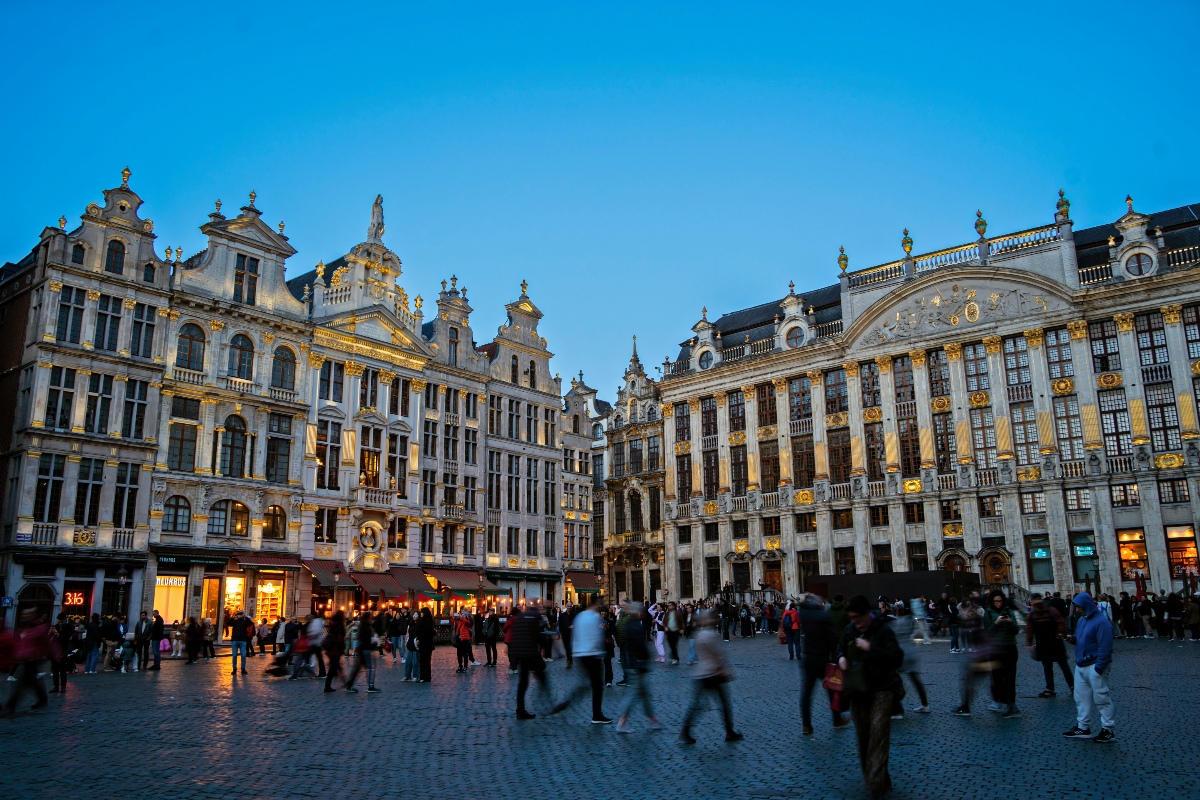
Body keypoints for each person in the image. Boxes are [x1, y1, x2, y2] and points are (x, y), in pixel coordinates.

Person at [838, 595, 903, 800]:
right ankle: (879, 776)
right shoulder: (850, 630)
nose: (854, 621)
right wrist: (840, 657)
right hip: (858, 689)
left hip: (882, 688)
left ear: (867, 614)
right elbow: (840, 648)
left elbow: (896, 657)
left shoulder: (883, 630)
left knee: (878, 733)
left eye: (857, 617)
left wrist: (870, 649)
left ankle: (876, 783)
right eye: (851, 617)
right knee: (863, 736)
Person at [680, 609, 742, 744]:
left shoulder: (699, 634)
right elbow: (718, 654)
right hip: (713, 673)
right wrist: (723, 667)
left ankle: (686, 730)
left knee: (698, 704)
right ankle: (729, 732)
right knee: (724, 703)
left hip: (701, 673)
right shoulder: (710, 635)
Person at [1063, 592, 1116, 742]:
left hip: (1095, 665)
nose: (1077, 610)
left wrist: (1099, 668)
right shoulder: (1082, 621)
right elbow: (1079, 637)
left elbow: (1105, 647)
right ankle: (1083, 727)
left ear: (1085, 605)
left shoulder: (1102, 622)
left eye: (1078, 607)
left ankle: (1108, 729)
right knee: (1080, 697)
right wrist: (1072, 639)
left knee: (1102, 698)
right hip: (1081, 665)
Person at [549, 598, 610, 723]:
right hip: (592, 654)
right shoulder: (594, 618)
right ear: (597, 605)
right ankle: (597, 715)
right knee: (597, 686)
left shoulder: (580, 617)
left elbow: (575, 635)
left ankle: (569, 702)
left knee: (587, 684)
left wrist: (574, 651)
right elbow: (597, 637)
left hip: (581, 654)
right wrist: (601, 652)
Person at [798, 594, 847, 735]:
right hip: (822, 658)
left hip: (808, 657)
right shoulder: (823, 616)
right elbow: (832, 638)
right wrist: (836, 655)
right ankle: (837, 719)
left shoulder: (804, 614)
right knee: (831, 690)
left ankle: (806, 725)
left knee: (807, 692)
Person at [615, 601, 661, 733]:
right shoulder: (635, 626)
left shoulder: (631, 624)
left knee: (644, 694)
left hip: (635, 663)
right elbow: (639, 646)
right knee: (631, 695)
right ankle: (621, 722)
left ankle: (653, 719)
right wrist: (644, 659)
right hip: (637, 664)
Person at [982, 591, 1023, 718]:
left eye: (1000, 601)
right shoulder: (988, 613)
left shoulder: (1009, 611)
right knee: (997, 677)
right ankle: (1000, 700)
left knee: (1010, 677)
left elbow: (1016, 631)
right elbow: (987, 633)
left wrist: (1010, 622)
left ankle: (1012, 704)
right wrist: (996, 623)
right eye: (996, 602)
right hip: (995, 649)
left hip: (1010, 647)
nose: (998, 604)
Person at [1, 610, 51, 715]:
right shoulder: (24, 628)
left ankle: (10, 707)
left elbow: (47, 644)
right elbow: (19, 642)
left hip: (32, 660)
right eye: (24, 614)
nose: (25, 616)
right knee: (32, 682)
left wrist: (52, 656)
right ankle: (42, 699)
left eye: (27, 614)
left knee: (21, 684)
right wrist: (16, 655)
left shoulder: (39, 629)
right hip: (25, 659)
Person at [1025, 593, 1073, 697]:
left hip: (1046, 643)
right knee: (1061, 665)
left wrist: (1029, 643)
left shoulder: (1034, 613)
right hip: (1052, 642)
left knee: (1051, 666)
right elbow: (1062, 622)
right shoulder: (1050, 610)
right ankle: (1071, 687)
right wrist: (1060, 634)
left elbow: (1029, 630)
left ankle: (1051, 688)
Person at [887, 602, 930, 716]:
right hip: (912, 651)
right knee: (915, 679)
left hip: (901, 653)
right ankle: (925, 704)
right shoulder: (910, 620)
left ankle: (897, 708)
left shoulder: (895, 622)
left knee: (894, 680)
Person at [513, 604, 551, 719]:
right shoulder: (536, 616)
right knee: (542, 669)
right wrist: (545, 645)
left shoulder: (521, 617)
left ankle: (520, 710)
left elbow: (516, 634)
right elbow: (538, 634)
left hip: (520, 652)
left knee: (522, 682)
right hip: (530, 651)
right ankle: (546, 698)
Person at [344, 611, 379, 693]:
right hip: (366, 650)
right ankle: (370, 686)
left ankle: (349, 684)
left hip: (361, 649)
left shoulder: (361, 626)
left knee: (357, 669)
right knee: (370, 668)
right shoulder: (366, 627)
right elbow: (366, 641)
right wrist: (374, 642)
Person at [49, 613, 75, 694]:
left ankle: (63, 686)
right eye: (59, 621)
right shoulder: (55, 626)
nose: (60, 623)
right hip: (54, 650)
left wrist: (57, 634)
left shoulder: (70, 627)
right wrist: (50, 633)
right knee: (55, 669)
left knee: (62, 669)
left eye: (62, 621)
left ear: (65, 620)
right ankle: (56, 686)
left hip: (63, 650)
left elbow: (65, 638)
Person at [321, 611, 346, 693]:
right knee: (334, 667)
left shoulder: (332, 624)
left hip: (331, 648)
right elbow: (340, 639)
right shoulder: (339, 626)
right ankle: (328, 686)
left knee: (335, 666)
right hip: (335, 649)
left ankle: (345, 682)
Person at [416, 608, 436, 683]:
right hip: (425, 644)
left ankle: (425, 677)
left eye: (421, 612)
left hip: (426, 644)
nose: (420, 614)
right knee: (425, 661)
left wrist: (420, 637)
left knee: (425, 661)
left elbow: (428, 632)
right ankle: (424, 677)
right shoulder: (425, 620)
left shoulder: (426, 621)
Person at [402, 611, 421, 681]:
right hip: (410, 643)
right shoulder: (410, 624)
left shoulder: (419, 624)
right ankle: (407, 675)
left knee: (415, 661)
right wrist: (407, 642)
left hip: (416, 644)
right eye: (414, 614)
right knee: (408, 661)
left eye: (416, 614)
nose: (414, 616)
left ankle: (416, 675)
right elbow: (407, 634)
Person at [229, 610, 249, 675]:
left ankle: (243, 669)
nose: (240, 616)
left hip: (243, 640)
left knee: (243, 655)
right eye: (239, 614)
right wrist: (232, 617)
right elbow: (227, 623)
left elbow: (250, 623)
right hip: (235, 639)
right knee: (234, 655)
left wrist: (246, 617)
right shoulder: (235, 621)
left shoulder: (245, 622)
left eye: (241, 614)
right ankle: (234, 669)